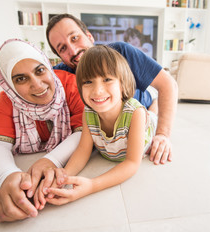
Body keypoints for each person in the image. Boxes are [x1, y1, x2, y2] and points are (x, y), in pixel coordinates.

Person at [0, 39, 85, 222]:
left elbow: (86, 134)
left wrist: (51, 160)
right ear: (9, 84)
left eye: (40, 70)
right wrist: (6, 176)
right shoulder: (9, 101)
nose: (37, 84)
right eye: (21, 79)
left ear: (48, 66)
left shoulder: (71, 85)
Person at [46, 13, 178, 165]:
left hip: (142, 102)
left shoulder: (121, 52)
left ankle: (154, 105)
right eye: (62, 48)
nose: (73, 50)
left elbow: (168, 84)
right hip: (110, 123)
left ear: (89, 36)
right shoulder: (62, 73)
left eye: (75, 38)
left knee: (151, 109)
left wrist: (163, 135)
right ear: (59, 56)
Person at [38, 45, 160, 206]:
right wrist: (64, 177)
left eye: (107, 79)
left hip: (147, 121)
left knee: (152, 112)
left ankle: (153, 97)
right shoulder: (89, 113)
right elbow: (83, 150)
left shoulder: (135, 114)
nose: (97, 91)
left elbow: (131, 163)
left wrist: (91, 185)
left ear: (122, 83)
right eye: (88, 82)